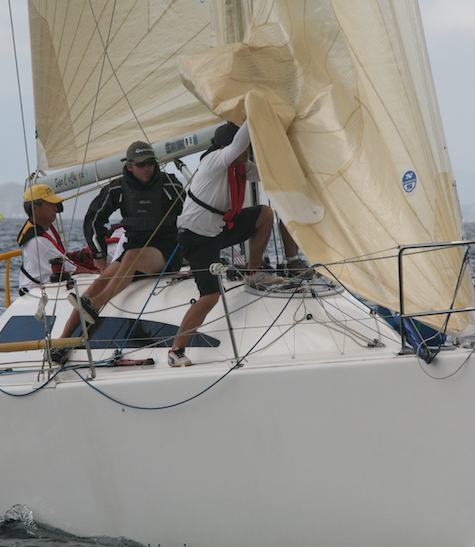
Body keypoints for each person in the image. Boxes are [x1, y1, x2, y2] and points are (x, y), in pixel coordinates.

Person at [50, 141, 185, 363]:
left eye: (150, 163)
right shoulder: (118, 188)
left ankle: (96, 305)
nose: (147, 168)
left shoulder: (168, 183)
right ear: (129, 166)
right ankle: (62, 343)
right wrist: (99, 253)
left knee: (130, 257)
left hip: (166, 251)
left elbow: (190, 211)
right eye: (141, 164)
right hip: (134, 252)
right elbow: (94, 218)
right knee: (96, 284)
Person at [167, 120, 284, 367]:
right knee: (210, 296)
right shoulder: (214, 161)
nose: (247, 152)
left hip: (220, 229)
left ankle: (252, 274)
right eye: (245, 148)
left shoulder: (241, 167)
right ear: (226, 148)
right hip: (196, 238)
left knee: (265, 215)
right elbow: (238, 144)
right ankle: (176, 350)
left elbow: (270, 174)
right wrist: (251, 114)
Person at [17, 184, 95, 293]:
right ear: (35, 208)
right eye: (50, 204)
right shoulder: (39, 241)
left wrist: (76, 256)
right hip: (38, 293)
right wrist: (105, 276)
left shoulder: (42, 229)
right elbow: (73, 270)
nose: (56, 208)